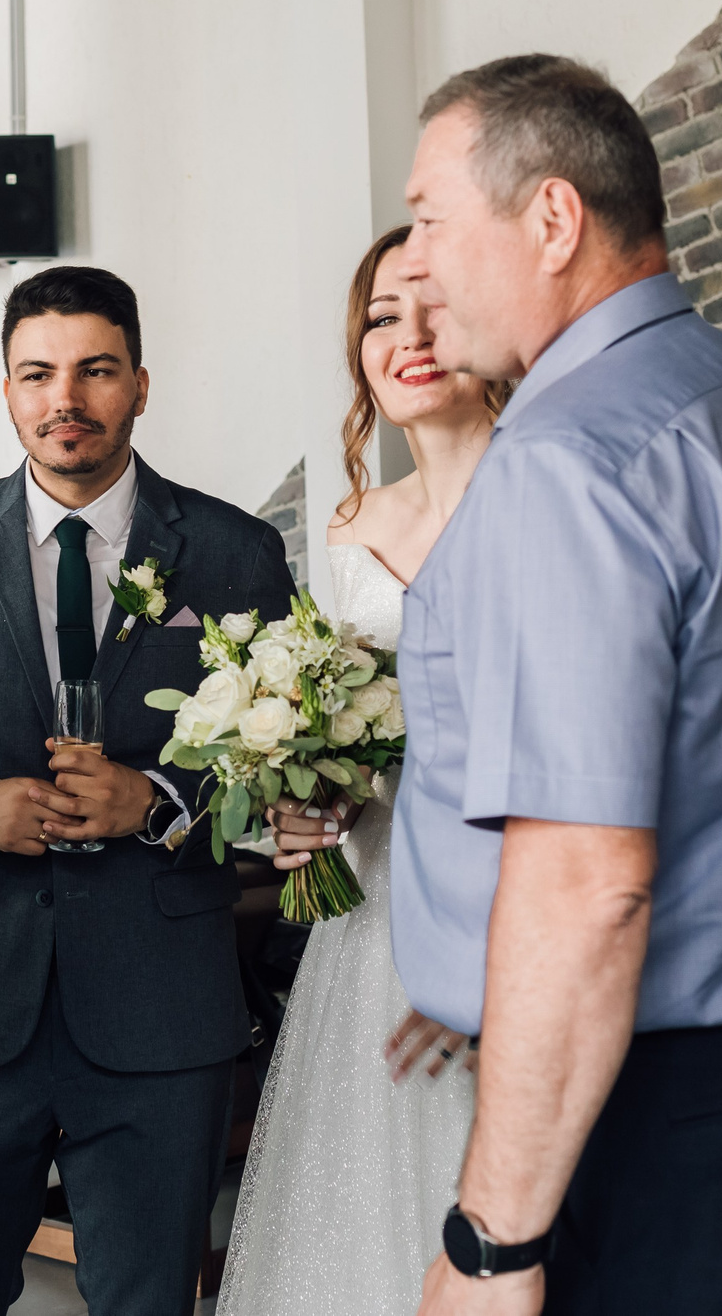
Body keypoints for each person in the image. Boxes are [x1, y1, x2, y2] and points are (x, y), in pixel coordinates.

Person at [385, 55, 722, 1316]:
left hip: (662, 1122)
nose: (417, 266)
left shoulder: (570, 457)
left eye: (431, 219)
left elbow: (588, 880)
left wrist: (493, 1240)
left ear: (552, 219)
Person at [0, 265, 301, 1316]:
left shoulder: (234, 553)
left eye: (94, 370)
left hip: (160, 1005)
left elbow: (284, 756)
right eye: (36, 374)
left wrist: (161, 802)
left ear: (139, 383)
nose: (64, 399)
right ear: (6, 390)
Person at [216, 223, 505, 1316]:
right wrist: (303, 800)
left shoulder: (546, 490)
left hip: (509, 888)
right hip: (376, 908)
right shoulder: (353, 524)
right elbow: (361, 729)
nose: (407, 338)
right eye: (382, 318)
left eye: (431, 309)